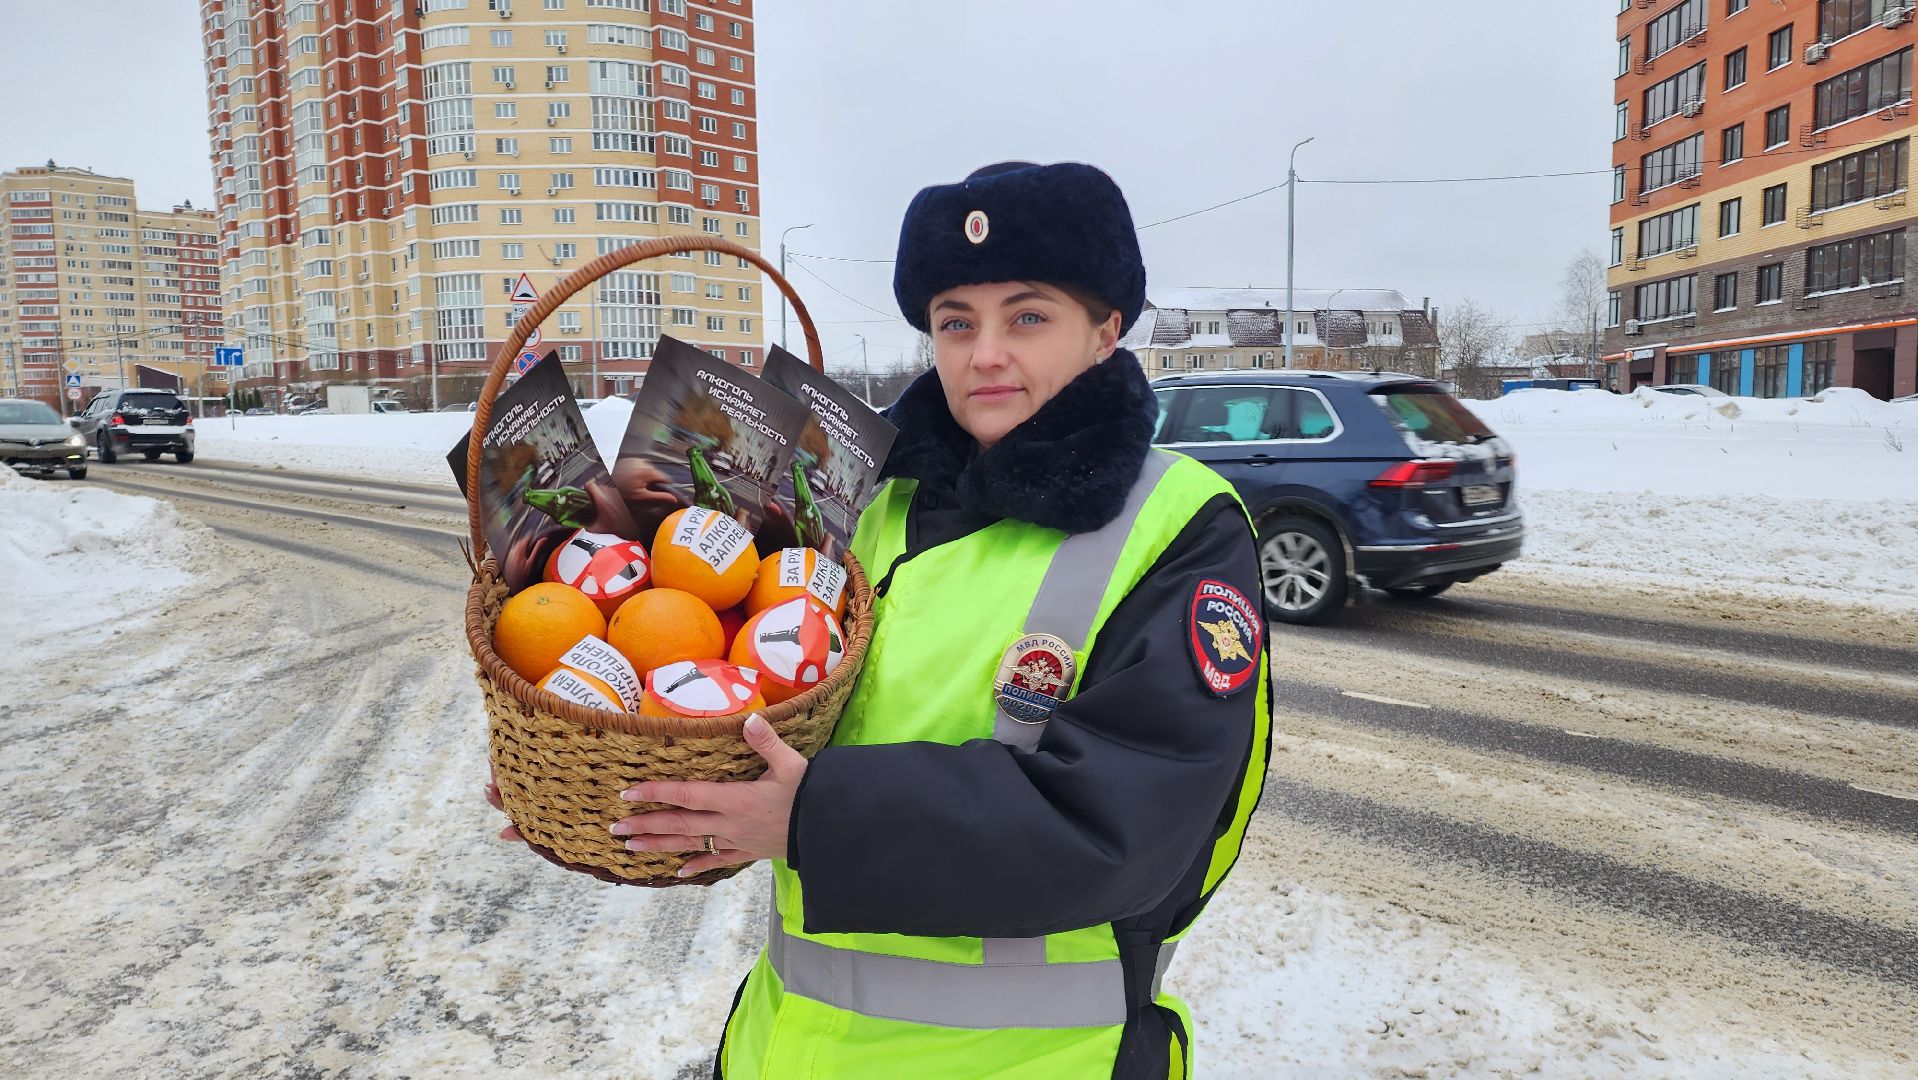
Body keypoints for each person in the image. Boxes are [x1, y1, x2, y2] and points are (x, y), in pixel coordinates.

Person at [490, 161, 1271, 1078]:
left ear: (1106, 331)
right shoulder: (862, 509)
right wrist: (634, 785)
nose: (983, 354)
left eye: (1028, 316)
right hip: (786, 1049)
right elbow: (758, 718)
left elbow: (1129, 830)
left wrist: (814, 822)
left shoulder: (1177, 525)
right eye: (955, 321)